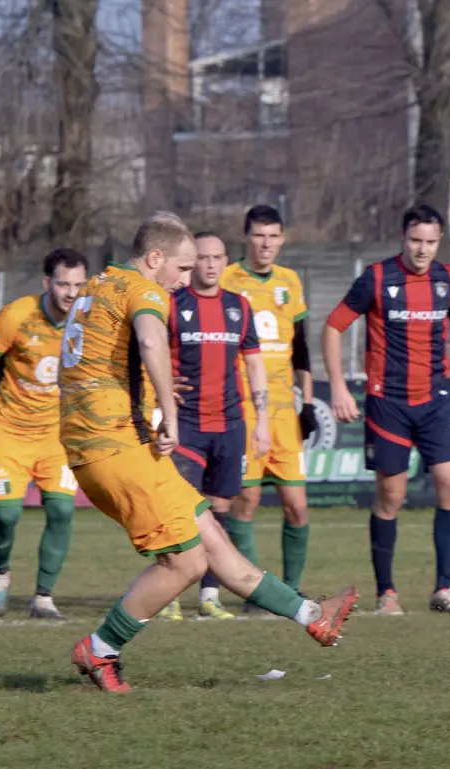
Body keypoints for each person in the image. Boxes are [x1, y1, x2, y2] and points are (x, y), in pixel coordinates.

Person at [61, 211, 358, 693]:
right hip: (112, 447)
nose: (183, 280)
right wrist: (169, 417)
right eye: (181, 268)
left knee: (213, 540)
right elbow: (152, 340)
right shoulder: (146, 289)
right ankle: (100, 650)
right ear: (155, 258)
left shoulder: (101, 283)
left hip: (105, 441)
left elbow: (105, 356)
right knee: (186, 563)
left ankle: (312, 615)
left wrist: (146, 393)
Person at [322, 204, 450, 615]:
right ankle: (386, 593)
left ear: (439, 241)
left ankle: (445, 588)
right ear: (403, 238)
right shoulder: (376, 278)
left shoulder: (448, 279)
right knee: (392, 496)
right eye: (415, 240)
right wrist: (338, 386)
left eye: (430, 242)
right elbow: (333, 326)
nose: (422, 250)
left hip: (436, 399)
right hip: (388, 402)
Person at [0, 248, 88, 620]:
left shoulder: (89, 320)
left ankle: (44, 597)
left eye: (79, 285)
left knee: (63, 510)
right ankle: (1, 572)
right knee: (6, 516)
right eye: (64, 284)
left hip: (57, 435)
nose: (71, 293)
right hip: (8, 432)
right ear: (47, 282)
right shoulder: (17, 316)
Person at [158, 231, 272, 622]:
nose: (209, 264)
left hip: (229, 423)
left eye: (217, 257)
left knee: (220, 507)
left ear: (226, 261)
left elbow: (254, 363)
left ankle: (210, 595)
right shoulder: (172, 304)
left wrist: (263, 422)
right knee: (180, 510)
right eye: (202, 258)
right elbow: (148, 352)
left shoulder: (239, 307)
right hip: (186, 422)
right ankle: (169, 593)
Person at [219, 205, 318, 606]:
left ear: (282, 238)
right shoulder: (227, 279)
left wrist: (307, 402)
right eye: (259, 235)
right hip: (242, 408)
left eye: (273, 236)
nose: (266, 244)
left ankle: (290, 588)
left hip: (282, 412)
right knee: (249, 500)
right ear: (246, 237)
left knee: (297, 506)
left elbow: (303, 348)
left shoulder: (290, 281)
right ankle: (257, 589)